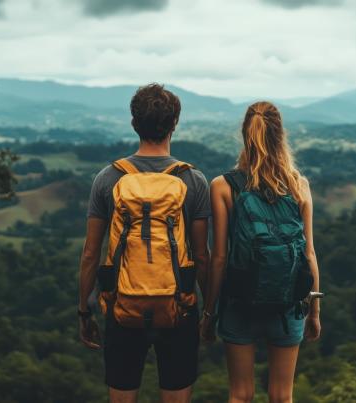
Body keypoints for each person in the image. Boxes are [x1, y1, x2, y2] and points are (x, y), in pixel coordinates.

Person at [78, 84, 211, 403]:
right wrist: (209, 313)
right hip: (179, 306)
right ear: (175, 123)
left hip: (121, 303)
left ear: (134, 123)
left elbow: (90, 254)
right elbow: (203, 256)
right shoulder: (192, 181)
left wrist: (85, 310)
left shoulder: (108, 179)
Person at [201, 101, 321, 403]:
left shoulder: (223, 186)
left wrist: (209, 313)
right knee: (282, 396)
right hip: (287, 304)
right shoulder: (298, 185)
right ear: (280, 136)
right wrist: (315, 312)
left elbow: (218, 259)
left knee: (240, 394)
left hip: (239, 302)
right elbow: (309, 254)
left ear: (244, 135)